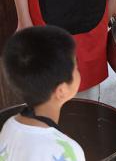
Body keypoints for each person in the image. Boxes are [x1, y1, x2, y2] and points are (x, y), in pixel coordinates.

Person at [0, 25, 85, 160]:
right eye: (76, 67)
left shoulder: (8, 127)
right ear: (61, 91)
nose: (79, 71)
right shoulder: (65, 151)